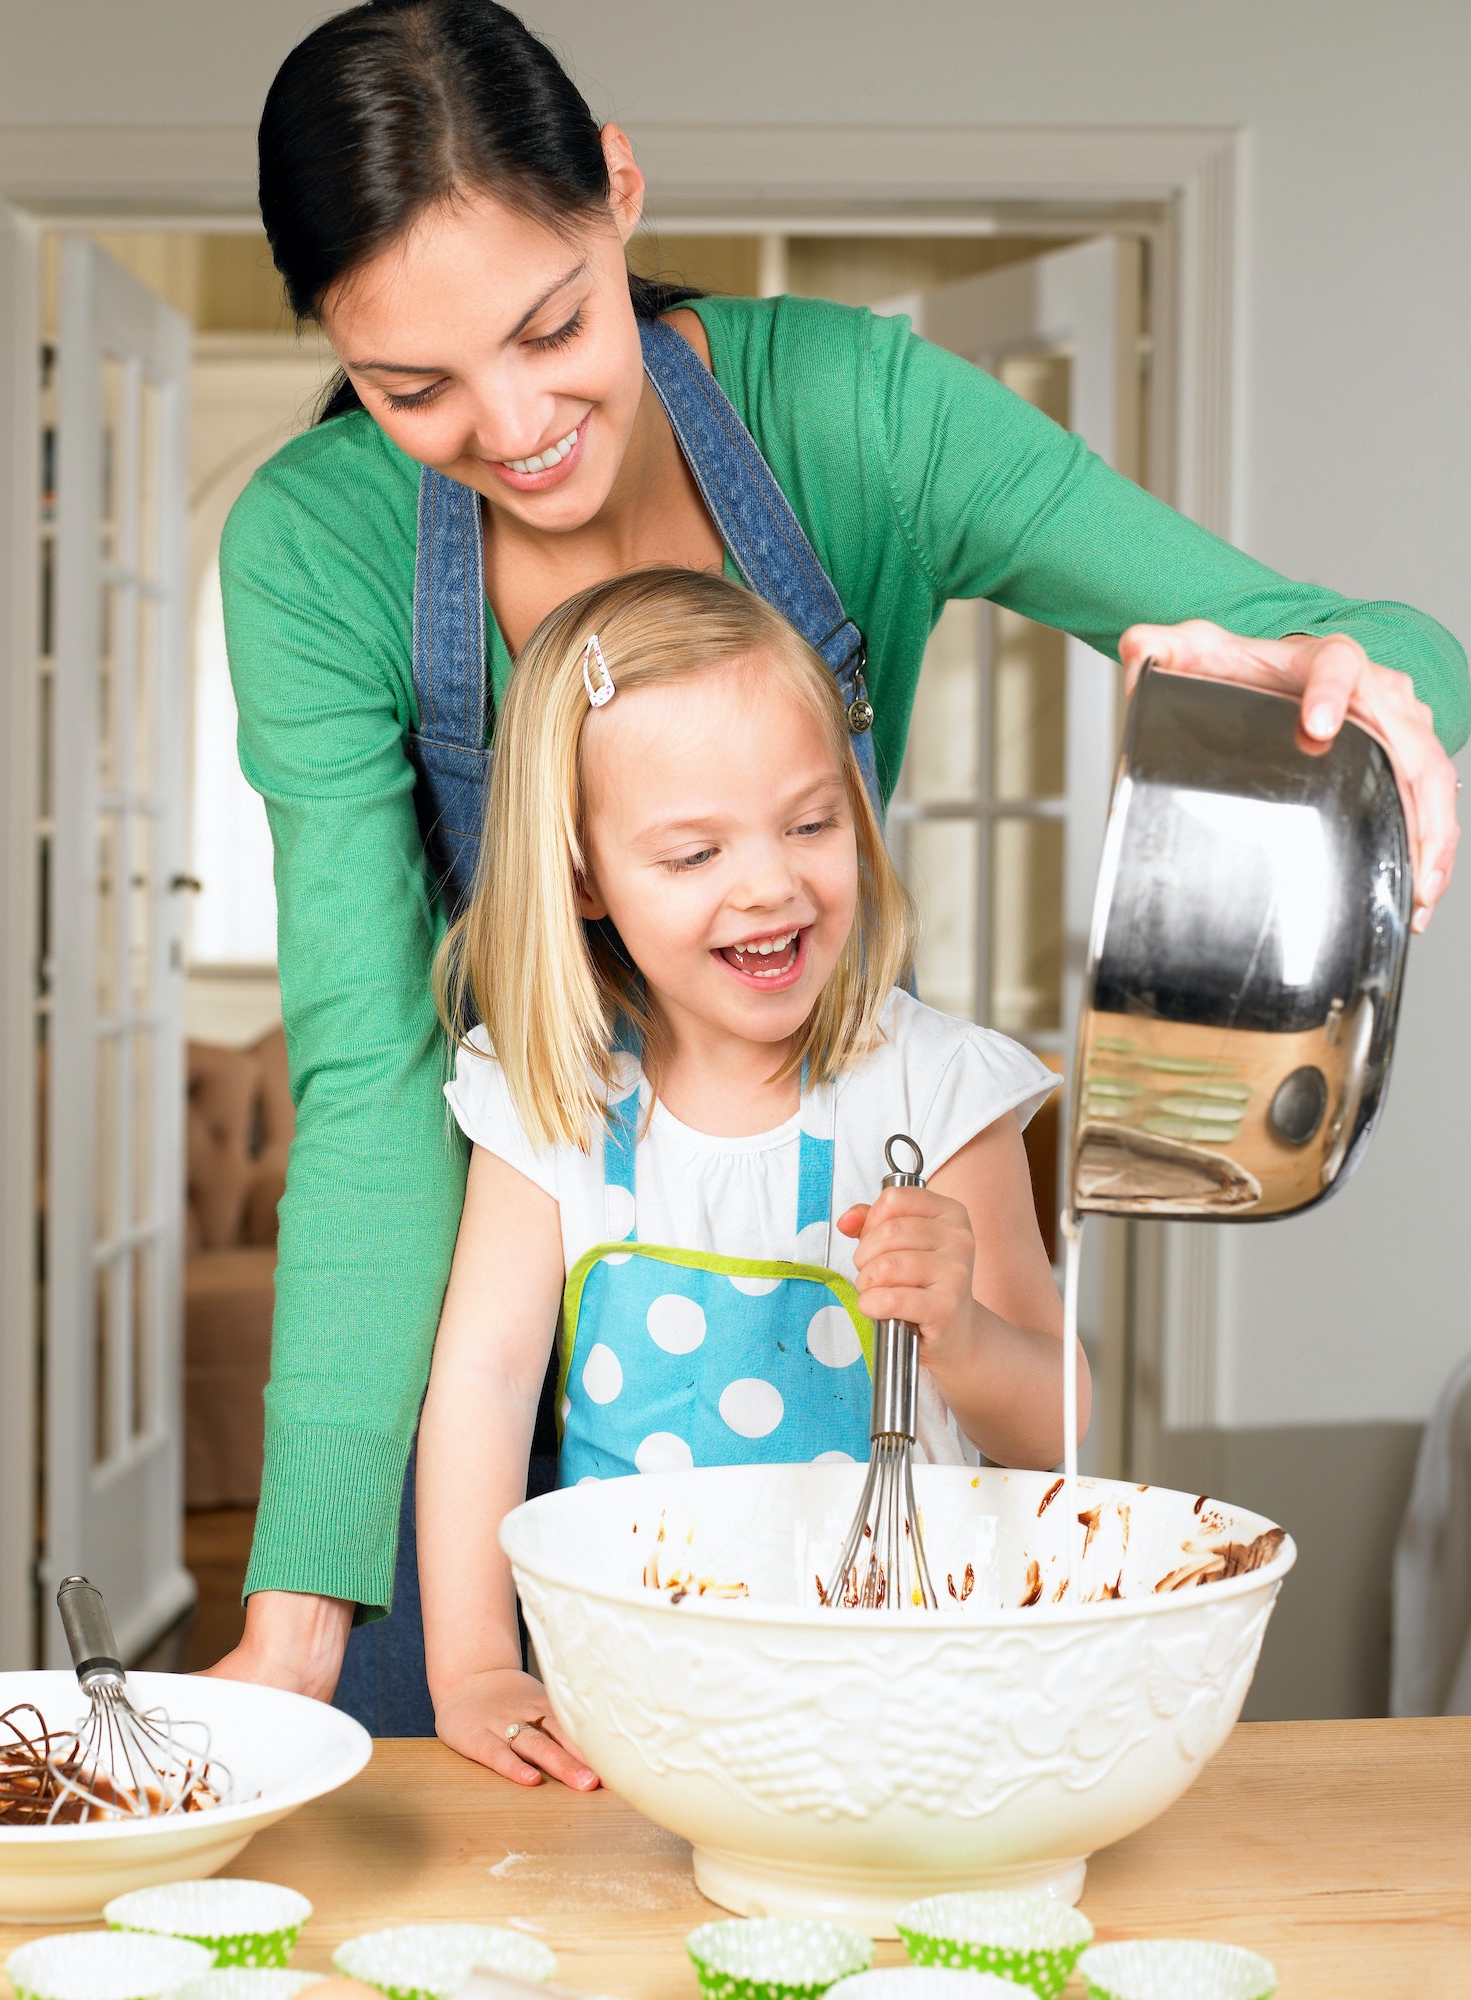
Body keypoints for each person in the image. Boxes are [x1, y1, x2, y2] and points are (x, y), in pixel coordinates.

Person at [210, 0, 1467, 1731]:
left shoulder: (859, 417)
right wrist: (295, 1611)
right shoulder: (317, 545)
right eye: (410, 386)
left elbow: (1319, 634)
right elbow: (372, 1082)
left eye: (553, 327)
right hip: (467, 1355)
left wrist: (1385, 698)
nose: (512, 427)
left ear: (620, 196)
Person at [417, 566, 1080, 1786]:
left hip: (911, 1706)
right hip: (634, 1712)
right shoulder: (553, 1099)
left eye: (810, 822)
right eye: (693, 851)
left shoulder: (938, 1094)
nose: (768, 882)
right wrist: (472, 1662)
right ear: (582, 876)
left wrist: (964, 1330)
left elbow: (1063, 1430)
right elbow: (485, 1382)